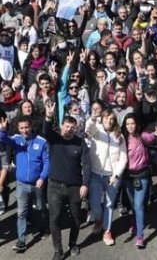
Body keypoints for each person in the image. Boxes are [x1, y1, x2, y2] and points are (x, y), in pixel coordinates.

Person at [42, 100, 90, 260]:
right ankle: (58, 250)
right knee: (54, 219)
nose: (69, 130)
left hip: (74, 187)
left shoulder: (80, 143)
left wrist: (85, 184)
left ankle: (73, 243)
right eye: (66, 126)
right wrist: (48, 116)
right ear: (62, 126)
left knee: (76, 218)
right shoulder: (54, 139)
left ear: (75, 128)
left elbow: (87, 165)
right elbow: (46, 130)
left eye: (72, 127)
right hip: (54, 187)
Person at [0, 116, 49, 253]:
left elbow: (47, 161)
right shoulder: (16, 139)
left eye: (26, 127)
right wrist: (3, 131)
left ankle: (44, 228)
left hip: (37, 183)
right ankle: (21, 241)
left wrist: (42, 177)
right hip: (21, 184)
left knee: (41, 208)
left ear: (31, 126)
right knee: (21, 213)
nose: (24, 130)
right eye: (21, 128)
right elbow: (4, 139)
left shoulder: (41, 142)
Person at [85, 110, 127, 246]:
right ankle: (98, 219)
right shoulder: (97, 130)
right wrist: (92, 118)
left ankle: (107, 229)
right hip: (96, 173)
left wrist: (116, 174)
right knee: (95, 203)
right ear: (102, 119)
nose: (109, 121)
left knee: (109, 204)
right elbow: (88, 129)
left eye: (112, 119)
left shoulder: (119, 136)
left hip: (112, 176)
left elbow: (123, 157)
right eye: (106, 118)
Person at [122, 113, 157, 248]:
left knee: (139, 205)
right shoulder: (123, 139)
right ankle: (136, 224)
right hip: (128, 176)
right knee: (132, 204)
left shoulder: (142, 136)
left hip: (142, 175)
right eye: (127, 124)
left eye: (132, 123)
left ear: (136, 124)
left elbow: (152, 136)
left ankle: (140, 236)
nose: (130, 126)